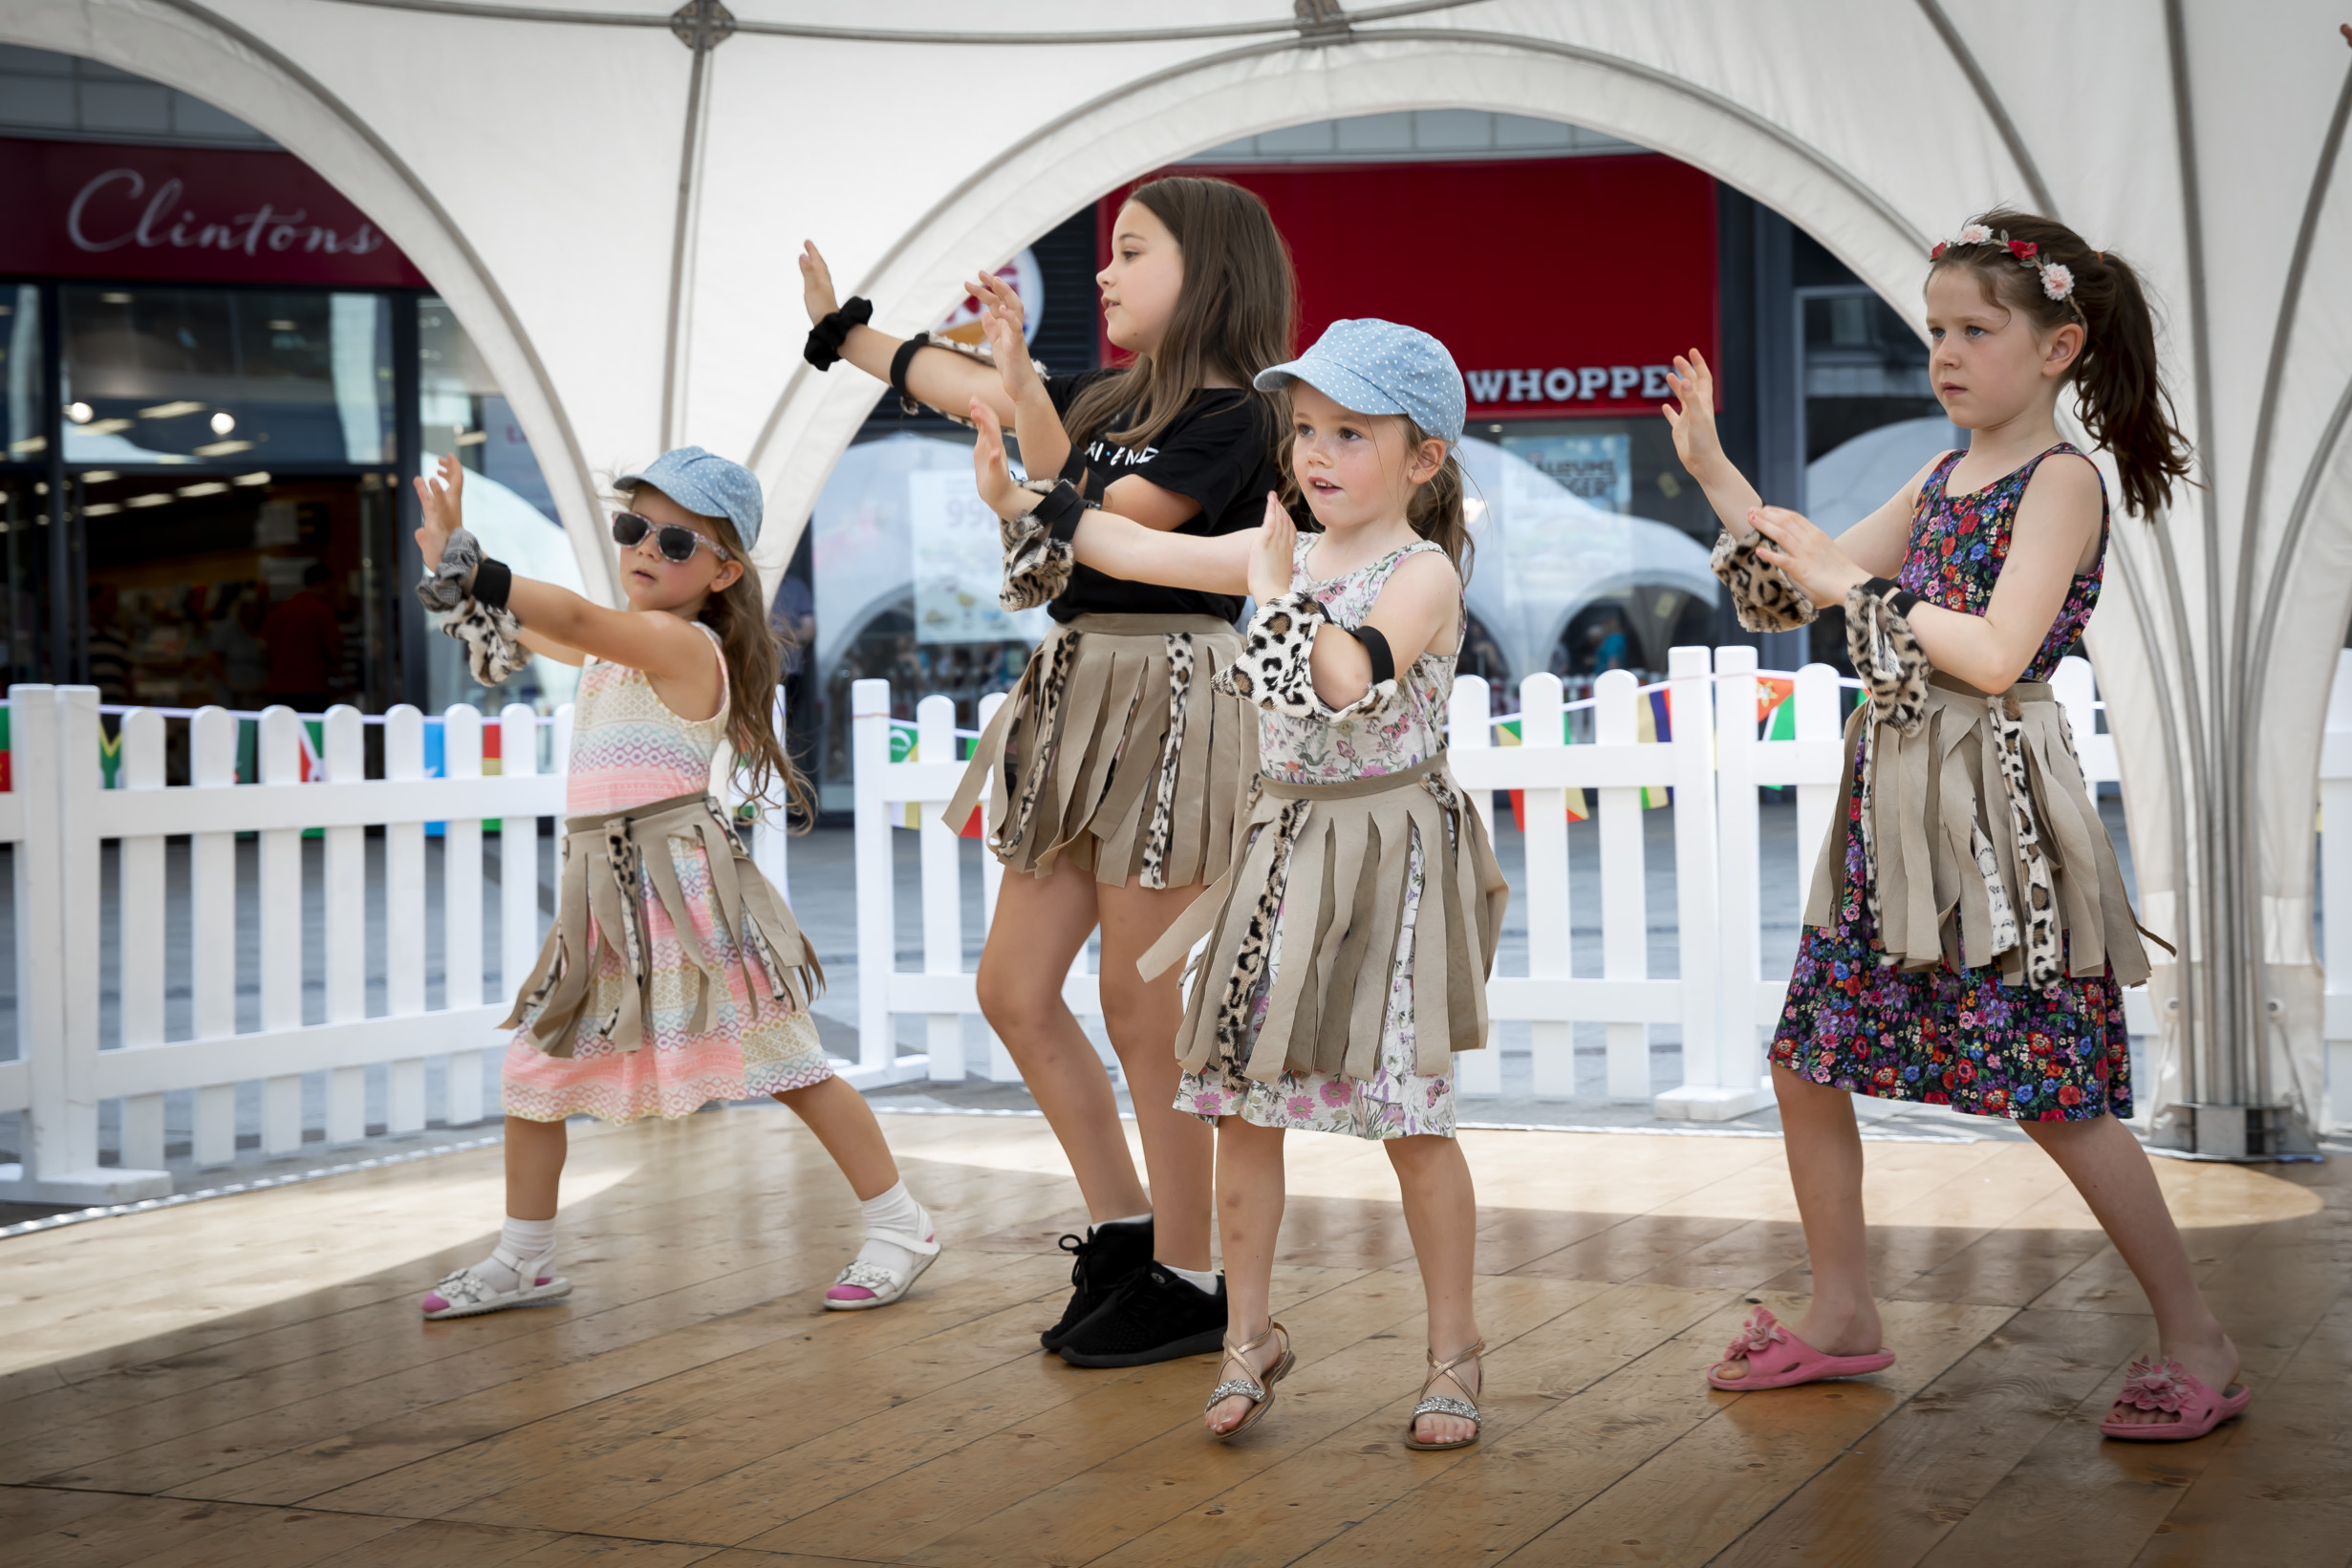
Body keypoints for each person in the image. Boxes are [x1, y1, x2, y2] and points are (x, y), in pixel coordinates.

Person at [1668, 211, 2244, 1442]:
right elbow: (1788, 593)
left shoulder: (2062, 483)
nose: (1944, 353)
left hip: (1997, 828)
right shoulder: (1939, 478)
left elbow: (1992, 654)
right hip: (1896, 813)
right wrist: (1720, 477)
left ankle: (2197, 1336)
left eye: (1974, 330)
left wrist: (1854, 587)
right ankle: (1839, 1310)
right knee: (1805, 1061)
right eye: (1934, 331)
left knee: (2052, 1091)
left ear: (2056, 346)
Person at [970, 318, 1509, 1449]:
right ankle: (1246, 1336)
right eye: (1306, 428)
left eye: (1351, 434)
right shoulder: (1289, 546)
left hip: (1384, 863)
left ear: (1423, 459)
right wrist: (1036, 502)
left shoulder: (1419, 575)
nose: (1316, 453)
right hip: (1279, 853)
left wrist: (1266, 594)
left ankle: (1452, 1352)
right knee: (1237, 1103)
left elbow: (1339, 676)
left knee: (1410, 1119)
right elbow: (1137, 553)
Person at [798, 177, 1292, 1366]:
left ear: (1209, 270)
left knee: (1140, 1006)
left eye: (1131, 252)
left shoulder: (1243, 418)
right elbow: (961, 388)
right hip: (1074, 694)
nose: (1106, 274)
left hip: (1173, 695)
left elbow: (1102, 517)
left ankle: (1190, 1271)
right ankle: (1127, 1233)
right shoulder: (1100, 392)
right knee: (1013, 990)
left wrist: (1022, 405)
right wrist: (844, 332)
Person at [408, 446, 940, 1319]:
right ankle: (525, 1255)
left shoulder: (677, 642)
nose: (645, 548)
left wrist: (479, 561)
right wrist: (450, 564)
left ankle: (900, 1222)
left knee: (791, 1062)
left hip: (686, 894)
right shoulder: (622, 646)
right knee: (534, 1072)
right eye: (633, 528)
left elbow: (571, 618)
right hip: (604, 899)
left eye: (676, 541)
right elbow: (520, 625)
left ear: (725, 572)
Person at [261, 563, 343, 712]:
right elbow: (334, 651)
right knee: (311, 732)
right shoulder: (322, 611)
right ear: (324, 583)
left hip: (281, 688)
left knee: (284, 733)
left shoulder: (280, 610)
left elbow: (263, 647)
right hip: (313, 688)